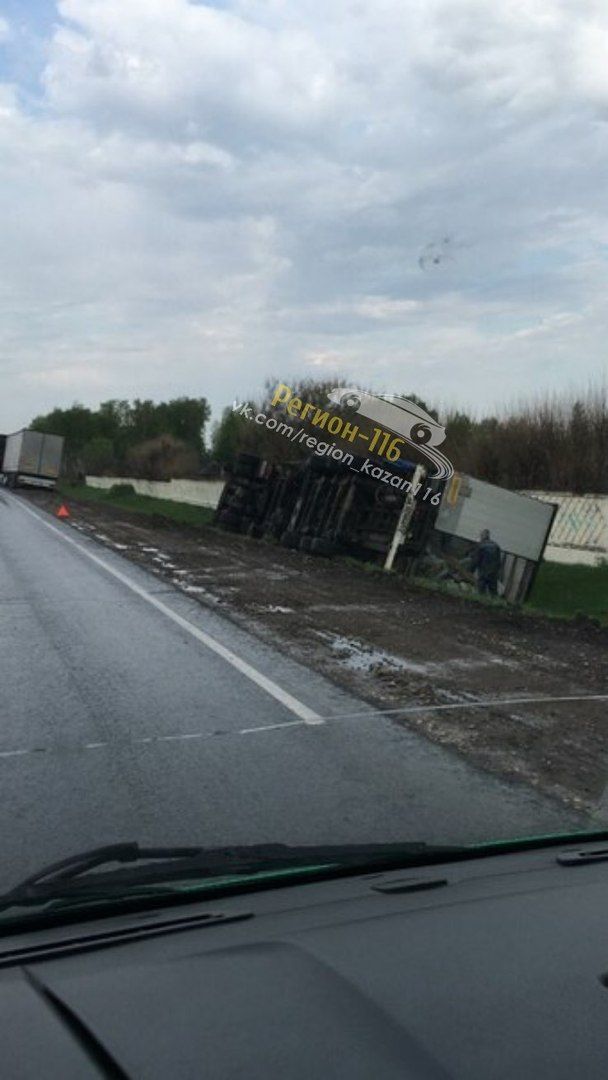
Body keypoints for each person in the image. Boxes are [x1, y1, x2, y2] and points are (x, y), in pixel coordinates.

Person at [471, 528, 502, 596]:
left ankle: (481, 604)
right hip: (493, 573)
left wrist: (471, 570)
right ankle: (495, 604)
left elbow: (476, 560)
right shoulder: (496, 546)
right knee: (493, 592)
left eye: (481, 535)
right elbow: (499, 562)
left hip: (483, 572)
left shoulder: (481, 546)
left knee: (481, 591)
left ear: (482, 536)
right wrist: (497, 571)